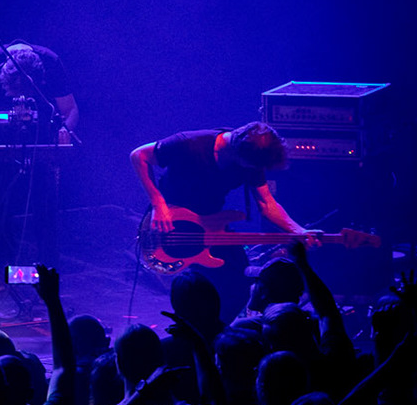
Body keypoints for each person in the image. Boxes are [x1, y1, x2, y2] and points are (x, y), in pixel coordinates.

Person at [132, 121, 315, 305]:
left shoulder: (251, 159)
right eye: (251, 166)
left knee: (238, 284)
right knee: (195, 290)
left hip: (210, 224)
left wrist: (298, 230)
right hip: (173, 223)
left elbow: (266, 203)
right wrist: (158, 204)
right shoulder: (189, 143)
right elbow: (139, 155)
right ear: (237, 154)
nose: (253, 170)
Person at [0, 41, 79, 145]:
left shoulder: (51, 62)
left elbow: (70, 109)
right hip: (1, 140)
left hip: (43, 139)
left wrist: (65, 129)